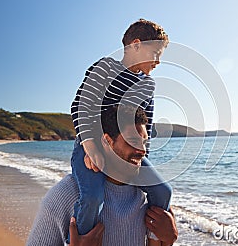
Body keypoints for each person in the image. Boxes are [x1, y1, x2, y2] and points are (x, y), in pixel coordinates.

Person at [69, 19, 172, 241]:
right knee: (93, 197)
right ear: (136, 45)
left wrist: (140, 159)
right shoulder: (106, 67)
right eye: (156, 53)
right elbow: (80, 106)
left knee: (164, 191)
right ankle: (80, 240)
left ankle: (153, 239)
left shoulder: (148, 85)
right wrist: (90, 147)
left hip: (129, 150)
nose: (158, 61)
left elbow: (147, 125)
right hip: (91, 145)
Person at [27, 105, 178, 246]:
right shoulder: (66, 194)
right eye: (132, 141)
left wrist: (169, 240)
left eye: (144, 142)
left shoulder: (147, 198)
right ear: (107, 141)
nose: (142, 150)